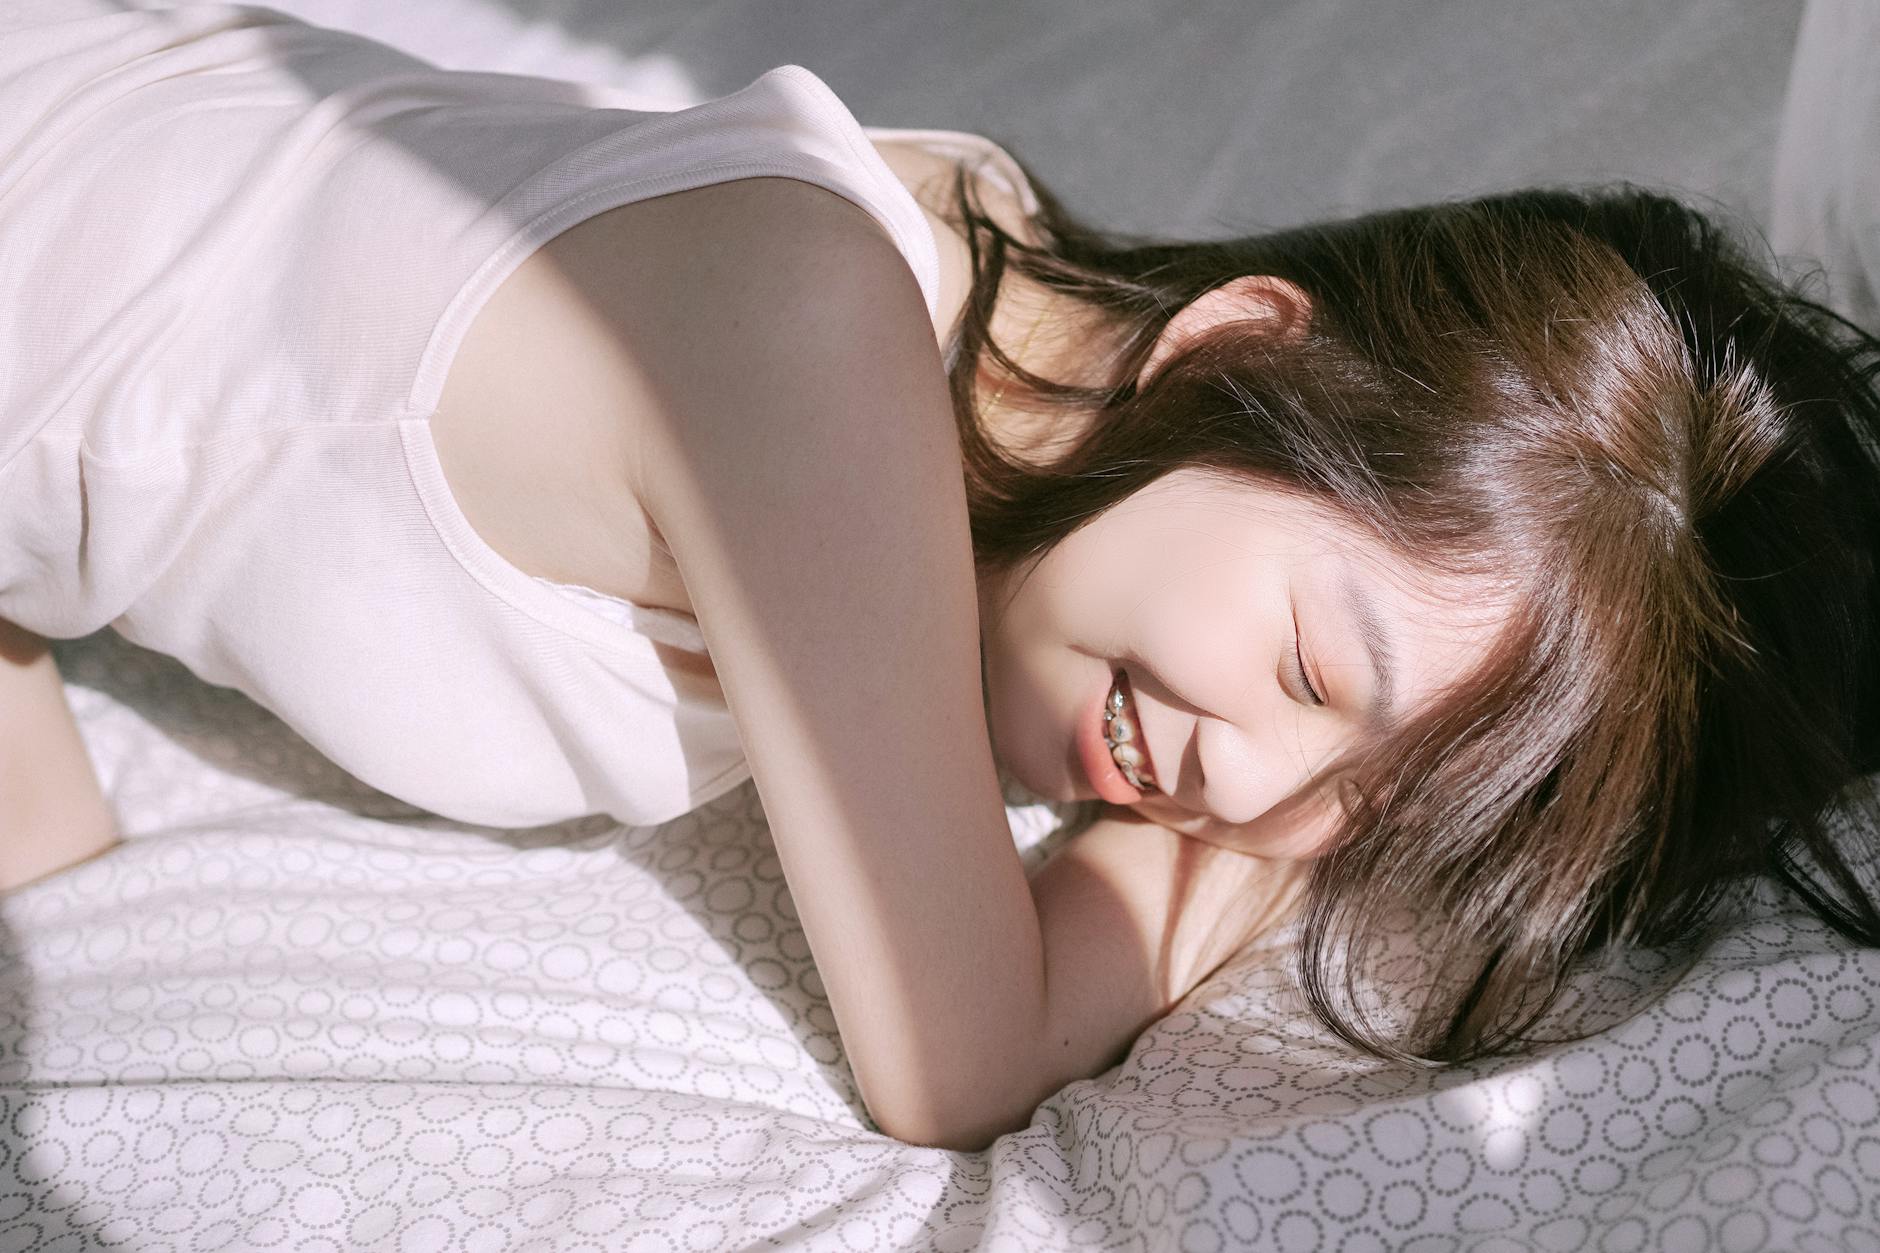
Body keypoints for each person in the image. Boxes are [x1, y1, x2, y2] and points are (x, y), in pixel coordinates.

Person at [3, 1, 1878, 1152]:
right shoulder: (810, 337)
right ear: (1233, 347)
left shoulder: (1009, 294)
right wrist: (1252, 869)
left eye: (1370, 811)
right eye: (1316, 665)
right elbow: (958, 1058)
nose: (1249, 788)